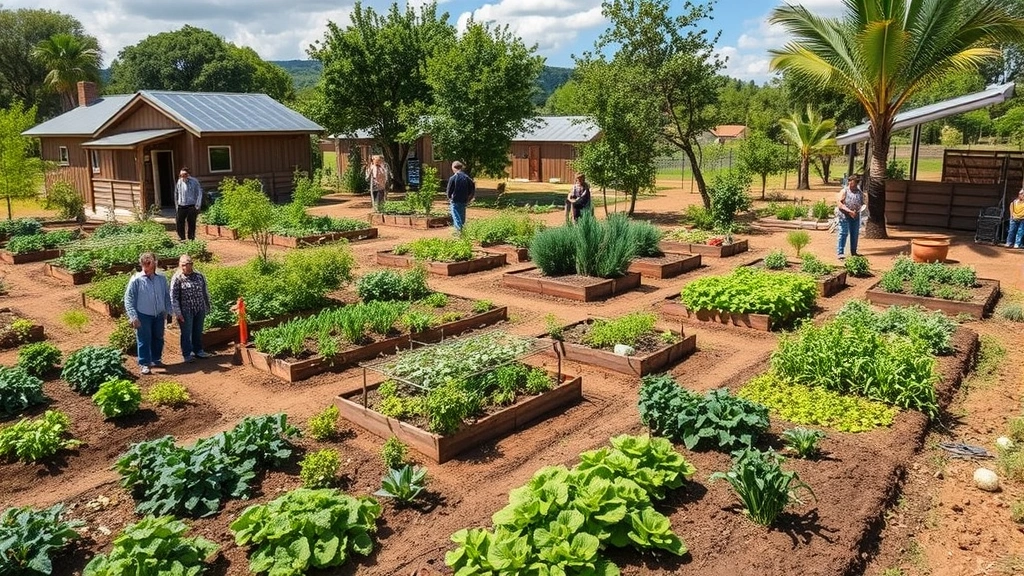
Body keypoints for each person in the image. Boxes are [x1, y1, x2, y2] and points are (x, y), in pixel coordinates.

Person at [123, 252, 172, 375]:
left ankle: (156, 359)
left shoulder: (161, 278)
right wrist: (133, 317)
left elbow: (166, 296)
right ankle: (144, 363)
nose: (146, 265)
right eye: (144, 262)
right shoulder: (136, 279)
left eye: (149, 262)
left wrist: (168, 311)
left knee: (158, 337)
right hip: (143, 315)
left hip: (159, 314)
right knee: (144, 339)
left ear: (155, 263)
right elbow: (128, 299)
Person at [170, 254, 213, 363]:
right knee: (186, 333)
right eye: (183, 265)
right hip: (185, 311)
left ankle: (198, 350)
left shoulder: (199, 276)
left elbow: (204, 291)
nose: (185, 267)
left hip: (199, 308)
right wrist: (178, 313)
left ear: (192, 264)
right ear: (180, 265)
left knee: (198, 331)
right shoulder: (177, 278)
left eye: (187, 264)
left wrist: (207, 306)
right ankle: (187, 354)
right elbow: (173, 297)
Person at [836, 174, 865, 260]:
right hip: (844, 215)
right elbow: (839, 204)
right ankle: (840, 252)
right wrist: (849, 211)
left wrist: (858, 210)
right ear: (849, 181)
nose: (856, 184)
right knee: (843, 233)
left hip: (855, 216)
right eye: (854, 182)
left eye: (857, 182)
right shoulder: (844, 191)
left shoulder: (859, 192)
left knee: (854, 233)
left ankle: (853, 251)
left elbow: (862, 203)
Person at [446, 160, 475, 234]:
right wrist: (469, 199)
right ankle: (463, 233)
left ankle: (459, 234)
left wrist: (450, 198)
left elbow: (449, 192)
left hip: (455, 201)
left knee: (456, 218)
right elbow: (472, 189)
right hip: (464, 201)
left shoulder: (453, 178)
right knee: (462, 218)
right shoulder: (467, 178)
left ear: (453, 168)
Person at [174, 167, 203, 241]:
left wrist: (197, 205)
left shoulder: (194, 181)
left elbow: (199, 193)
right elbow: (176, 193)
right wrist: (177, 205)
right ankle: (182, 238)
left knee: (191, 223)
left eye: (184, 174)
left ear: (188, 174)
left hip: (191, 206)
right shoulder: (179, 181)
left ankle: (191, 238)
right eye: (181, 175)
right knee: (179, 222)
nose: (182, 176)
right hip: (181, 206)